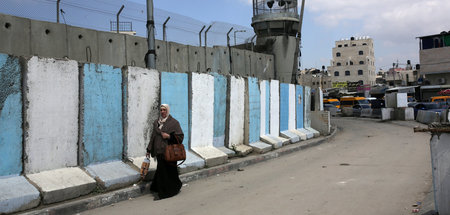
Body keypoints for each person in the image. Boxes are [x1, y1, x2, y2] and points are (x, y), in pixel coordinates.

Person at [146, 104, 184, 200]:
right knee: (162, 170)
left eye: (164, 110)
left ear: (168, 111)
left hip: (169, 152)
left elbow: (180, 136)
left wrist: (169, 137)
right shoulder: (156, 123)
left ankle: (165, 193)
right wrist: (148, 150)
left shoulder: (174, 123)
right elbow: (153, 137)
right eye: (161, 110)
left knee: (169, 172)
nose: (162, 112)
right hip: (159, 151)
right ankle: (161, 188)